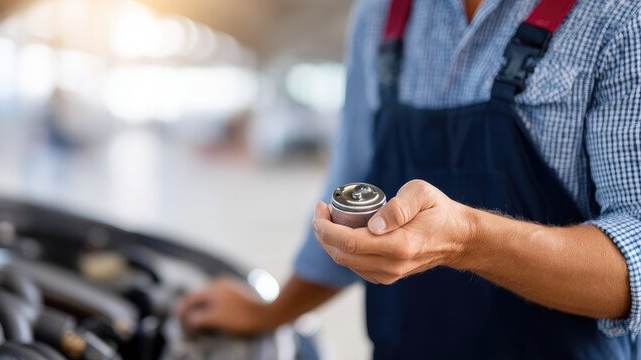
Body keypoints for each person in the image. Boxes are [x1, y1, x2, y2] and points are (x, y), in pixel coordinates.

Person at [176, 0, 641, 358]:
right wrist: (271, 312)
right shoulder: (381, 15)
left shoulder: (617, 17)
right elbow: (351, 185)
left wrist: (468, 239)